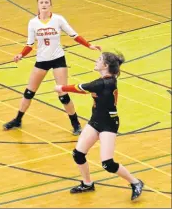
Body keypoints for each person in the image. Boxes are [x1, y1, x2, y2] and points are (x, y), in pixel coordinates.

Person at [3, 0, 101, 135]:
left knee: (63, 95)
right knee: (29, 93)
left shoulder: (58, 19)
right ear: (38, 5)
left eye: (46, 2)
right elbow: (30, 44)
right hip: (42, 60)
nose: (44, 4)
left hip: (58, 59)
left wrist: (89, 45)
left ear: (50, 4)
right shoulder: (33, 23)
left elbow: (74, 35)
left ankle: (76, 125)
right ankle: (18, 120)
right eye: (41, 2)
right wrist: (21, 54)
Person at [55, 52, 144, 200]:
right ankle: (87, 183)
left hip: (109, 124)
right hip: (95, 120)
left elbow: (82, 87)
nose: (96, 61)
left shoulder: (106, 83)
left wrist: (61, 87)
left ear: (106, 66)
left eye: (99, 60)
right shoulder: (104, 81)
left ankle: (135, 182)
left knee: (108, 164)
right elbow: (88, 88)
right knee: (78, 154)